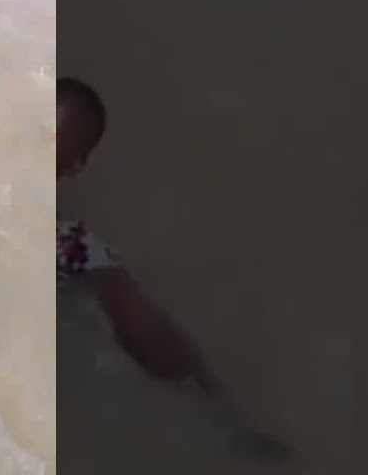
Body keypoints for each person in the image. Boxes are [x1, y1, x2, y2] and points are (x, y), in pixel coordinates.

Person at [55, 76, 294, 462]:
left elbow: (142, 326)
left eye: (52, 141)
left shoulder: (72, 246)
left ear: (76, 163)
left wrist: (225, 417)